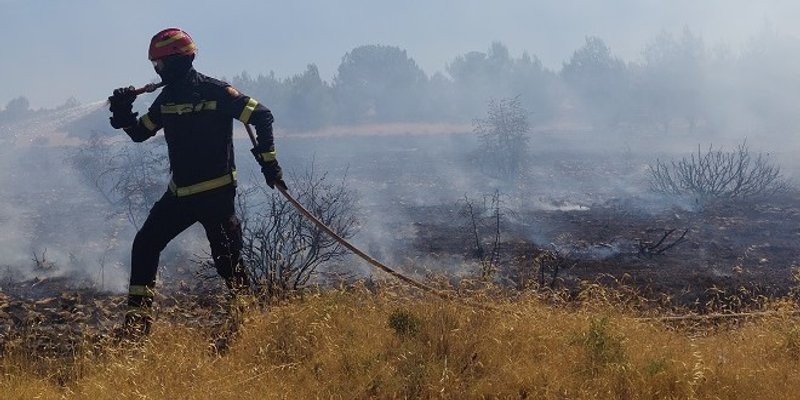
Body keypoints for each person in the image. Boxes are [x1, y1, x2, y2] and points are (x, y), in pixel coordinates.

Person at [107, 28, 285, 337]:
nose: (156, 70)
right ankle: (137, 327)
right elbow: (140, 133)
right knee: (147, 245)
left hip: (215, 196)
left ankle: (250, 322)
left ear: (175, 62)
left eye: (158, 64)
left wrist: (269, 162)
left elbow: (262, 115)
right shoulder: (167, 99)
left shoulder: (216, 91)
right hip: (182, 195)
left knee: (227, 262)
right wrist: (123, 113)